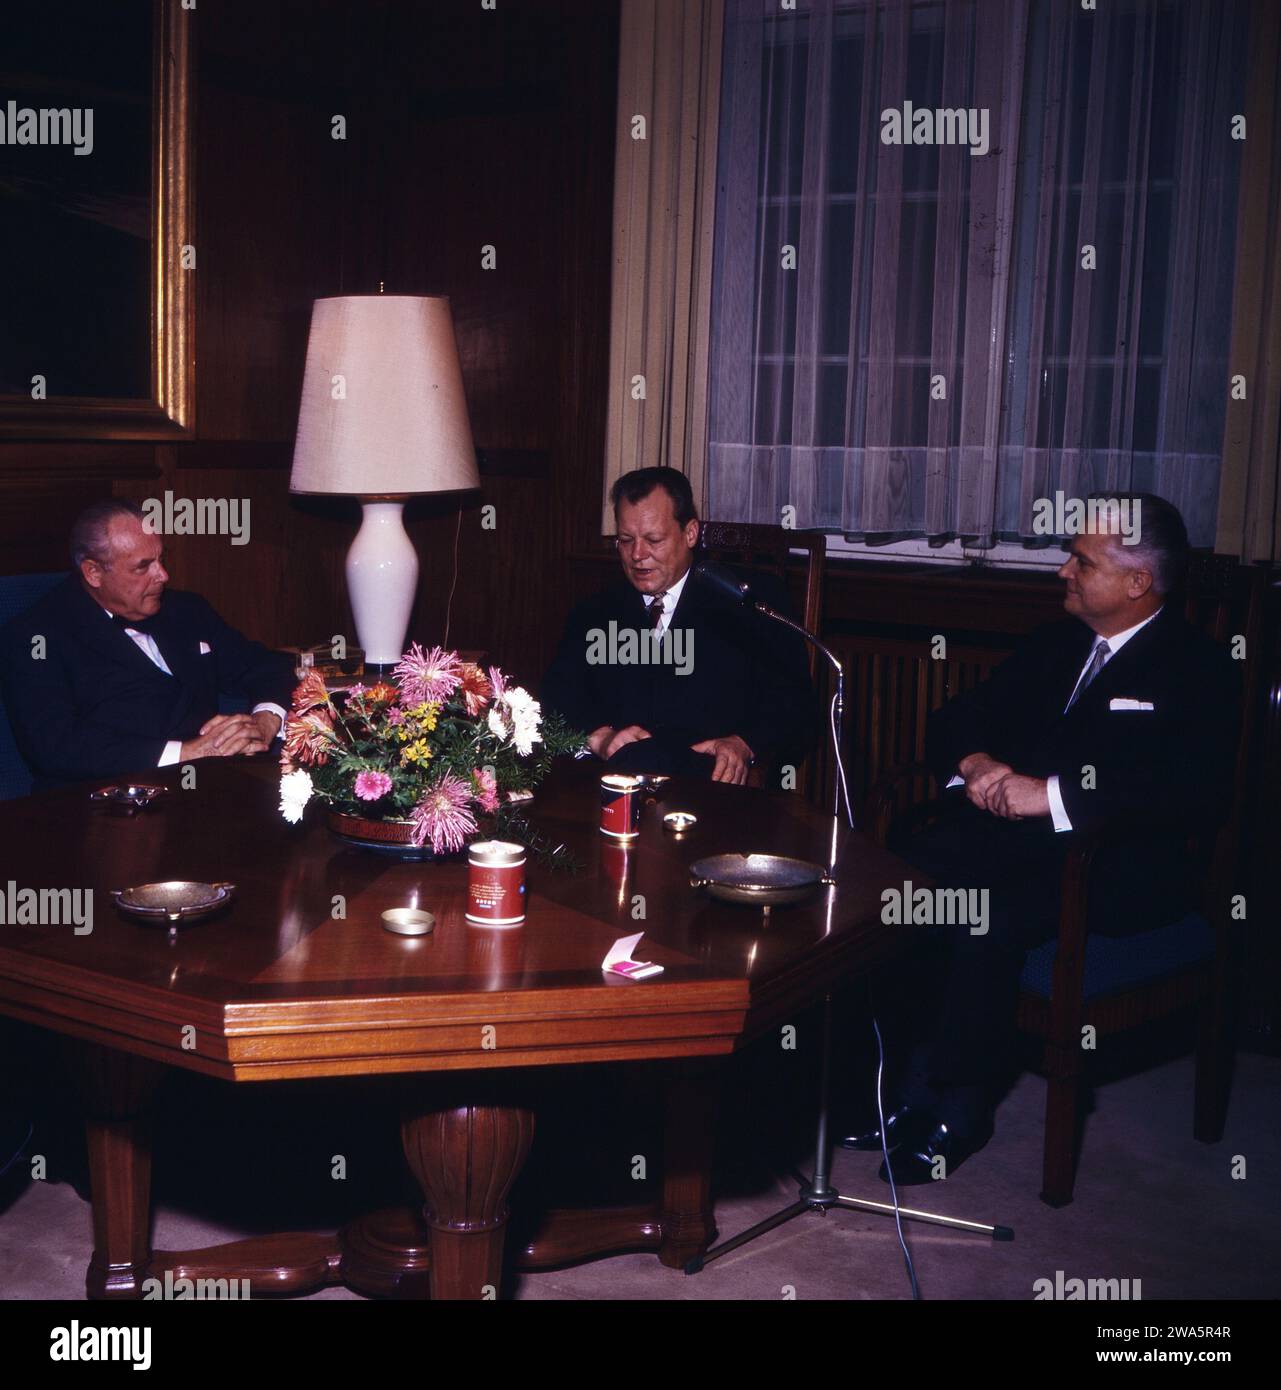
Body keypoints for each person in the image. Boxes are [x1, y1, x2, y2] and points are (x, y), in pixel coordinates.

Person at [843, 493, 1240, 1183]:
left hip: (1114, 866)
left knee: (980, 914)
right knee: (888, 881)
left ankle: (957, 1109)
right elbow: (956, 719)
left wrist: (1049, 795)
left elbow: (1184, 794)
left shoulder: (1197, 669)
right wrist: (978, 765)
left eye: (1080, 560)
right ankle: (891, 1081)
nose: (1062, 570)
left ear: (1136, 582)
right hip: (1008, 843)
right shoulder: (1054, 642)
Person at [541, 468, 817, 784]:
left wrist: (745, 744)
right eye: (626, 540)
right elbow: (556, 696)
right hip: (616, 785)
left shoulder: (748, 601)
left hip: (713, 792)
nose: (637, 555)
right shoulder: (595, 610)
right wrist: (599, 736)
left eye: (653, 540)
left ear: (690, 533)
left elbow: (797, 706)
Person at [0, 499, 295, 789]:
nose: (163, 576)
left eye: (161, 559)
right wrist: (188, 753)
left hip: (209, 791)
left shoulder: (186, 610)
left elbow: (268, 666)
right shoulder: (35, 636)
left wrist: (264, 722)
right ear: (93, 573)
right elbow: (56, 748)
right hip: (100, 805)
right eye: (143, 567)